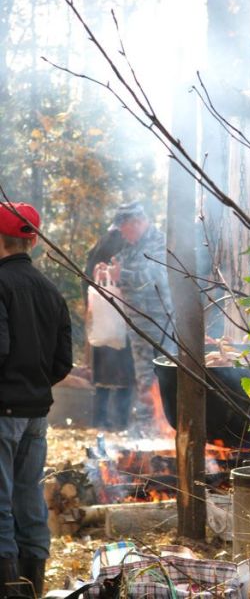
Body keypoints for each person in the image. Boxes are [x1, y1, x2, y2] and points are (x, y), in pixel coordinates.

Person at [0, 203, 72, 598]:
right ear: (31, 240)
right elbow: (63, 362)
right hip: (36, 415)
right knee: (29, 501)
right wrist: (34, 386)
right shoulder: (50, 290)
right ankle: (32, 588)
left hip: (3, 412)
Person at [98, 201, 175, 425]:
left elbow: (158, 276)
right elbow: (119, 267)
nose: (121, 233)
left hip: (161, 324)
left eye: (124, 227)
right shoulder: (131, 246)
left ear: (137, 222)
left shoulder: (160, 242)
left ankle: (164, 424)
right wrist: (106, 271)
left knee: (166, 376)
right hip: (138, 324)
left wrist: (123, 273)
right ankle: (147, 426)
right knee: (144, 377)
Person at [84, 228, 135, 430]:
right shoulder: (125, 243)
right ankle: (121, 421)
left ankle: (100, 420)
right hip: (119, 320)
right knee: (125, 374)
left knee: (102, 377)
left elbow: (88, 277)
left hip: (101, 321)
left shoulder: (100, 243)